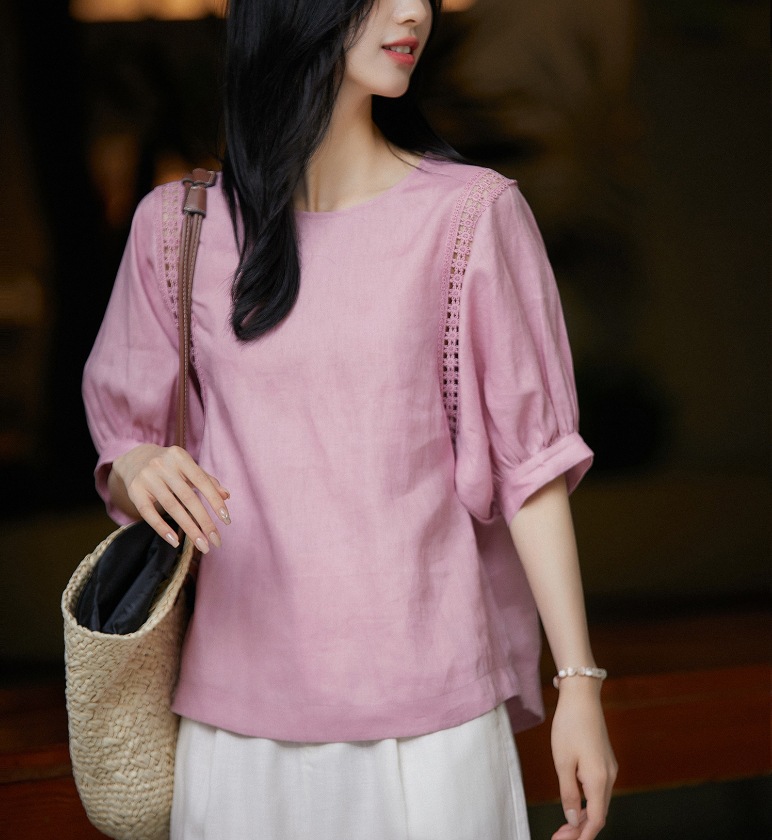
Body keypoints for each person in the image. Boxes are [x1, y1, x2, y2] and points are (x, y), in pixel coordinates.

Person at [82, 1, 617, 838]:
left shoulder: (470, 215)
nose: (414, 12)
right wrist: (136, 463)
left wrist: (578, 684)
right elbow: (125, 451)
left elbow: (533, 469)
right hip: (235, 727)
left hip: (432, 724)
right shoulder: (177, 230)